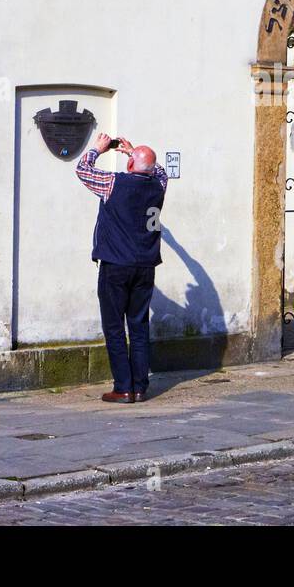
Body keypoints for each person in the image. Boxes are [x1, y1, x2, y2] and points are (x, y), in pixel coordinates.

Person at [76, 131, 169, 403]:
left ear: (130, 167)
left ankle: (124, 387)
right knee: (139, 326)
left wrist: (98, 149)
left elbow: (82, 170)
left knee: (115, 326)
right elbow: (159, 171)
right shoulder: (158, 185)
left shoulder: (113, 183)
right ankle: (140, 387)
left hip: (116, 265)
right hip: (146, 266)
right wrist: (133, 152)